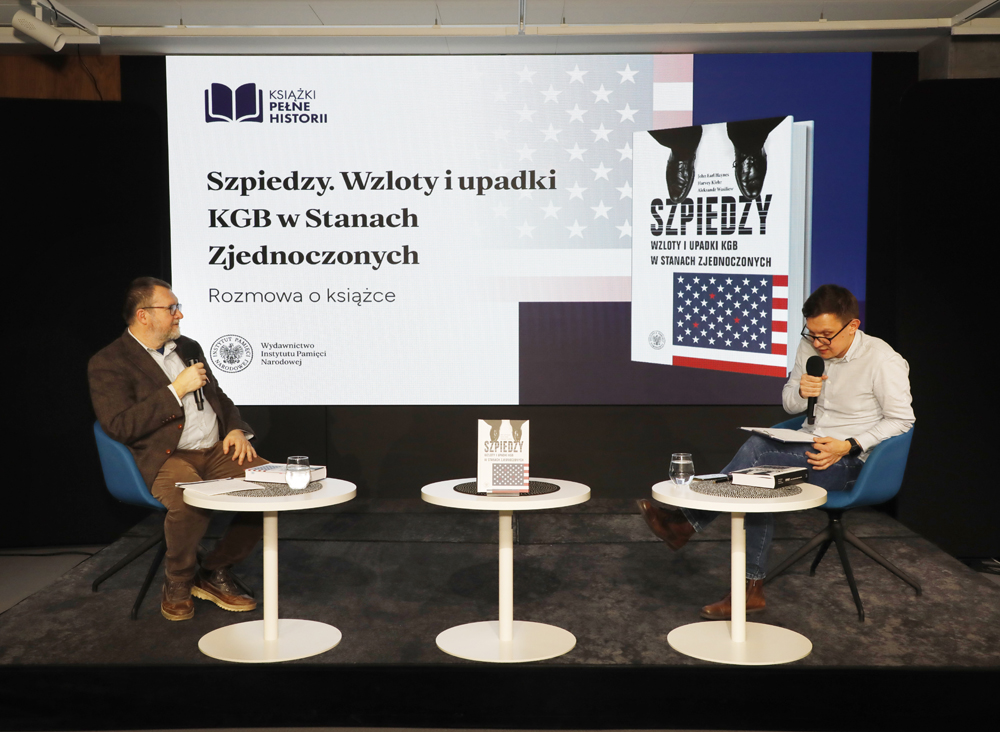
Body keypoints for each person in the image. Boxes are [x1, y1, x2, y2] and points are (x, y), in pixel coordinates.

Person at [638, 284, 914, 619]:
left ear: (853, 326)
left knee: (756, 454)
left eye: (826, 336)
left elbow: (902, 420)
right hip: (807, 444)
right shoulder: (809, 346)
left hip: (850, 463)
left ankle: (687, 524)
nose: (818, 343)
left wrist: (849, 445)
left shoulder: (883, 360)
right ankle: (748, 589)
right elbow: (789, 404)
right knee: (754, 482)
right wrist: (801, 391)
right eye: (811, 334)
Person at [89, 277, 270, 621]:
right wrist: (175, 390)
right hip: (166, 457)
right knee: (191, 503)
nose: (179, 315)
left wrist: (234, 428)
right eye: (171, 308)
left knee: (271, 488)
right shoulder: (108, 362)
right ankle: (178, 582)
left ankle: (214, 570)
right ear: (143, 315)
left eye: (178, 307)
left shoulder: (188, 347)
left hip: (216, 450)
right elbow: (120, 425)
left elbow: (219, 397)